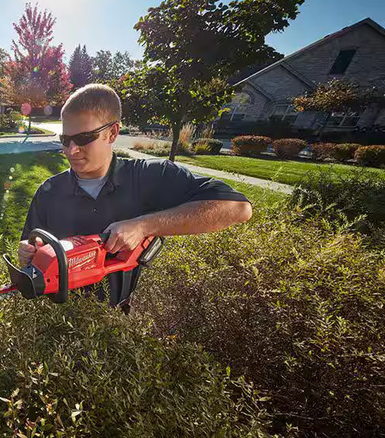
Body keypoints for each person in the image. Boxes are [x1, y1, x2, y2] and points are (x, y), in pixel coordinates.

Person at [17, 84, 252, 311]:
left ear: (112, 133)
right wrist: (28, 254)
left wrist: (144, 226)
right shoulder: (49, 191)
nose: (71, 150)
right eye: (65, 140)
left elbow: (238, 208)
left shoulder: (150, 176)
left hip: (125, 320)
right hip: (60, 322)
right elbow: (30, 247)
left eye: (83, 138)